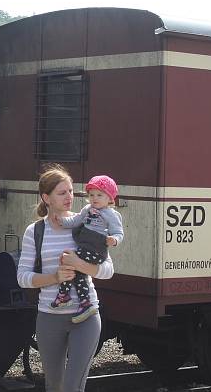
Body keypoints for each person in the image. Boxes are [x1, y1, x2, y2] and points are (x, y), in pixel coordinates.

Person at [16, 164, 114, 392]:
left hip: (87, 317)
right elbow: (22, 277)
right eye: (62, 193)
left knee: (72, 387)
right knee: (55, 386)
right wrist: (54, 277)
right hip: (49, 318)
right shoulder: (35, 231)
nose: (69, 197)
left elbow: (108, 269)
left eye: (70, 191)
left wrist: (79, 264)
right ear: (46, 198)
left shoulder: (90, 222)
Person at [51, 175, 124, 323]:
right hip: (85, 246)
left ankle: (64, 295)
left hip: (97, 249)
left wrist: (114, 240)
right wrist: (62, 221)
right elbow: (76, 220)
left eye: (99, 195)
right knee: (78, 273)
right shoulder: (87, 209)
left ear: (109, 198)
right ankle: (85, 303)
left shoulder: (111, 214)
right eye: (91, 195)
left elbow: (119, 232)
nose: (94, 198)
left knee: (68, 262)